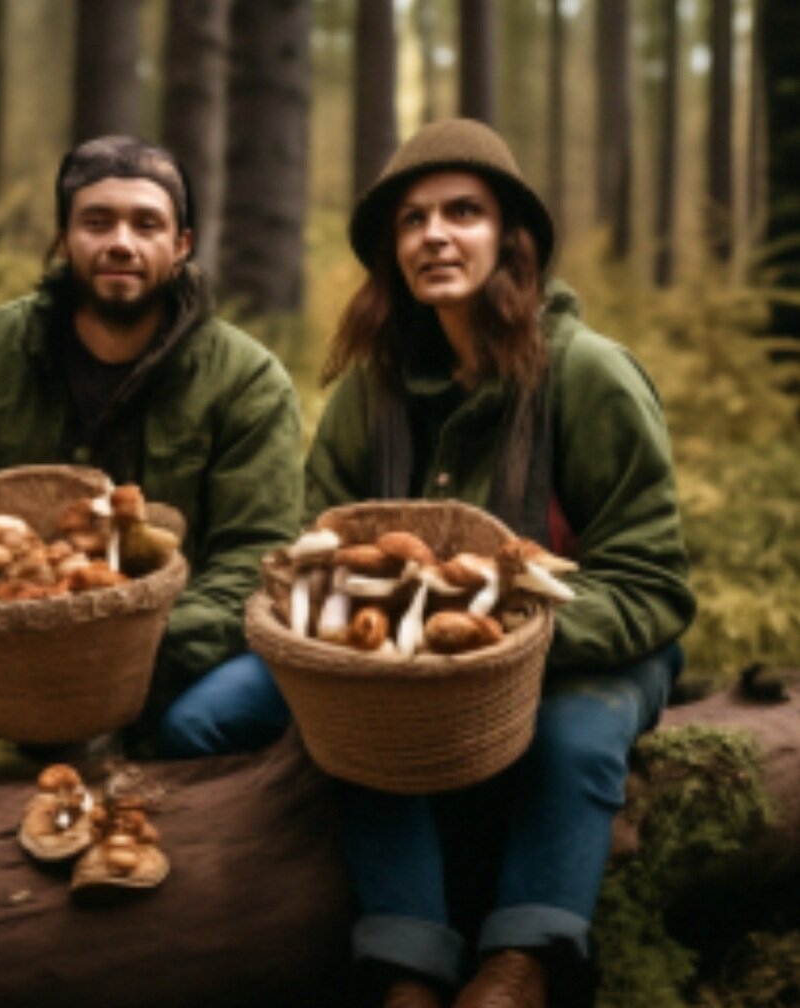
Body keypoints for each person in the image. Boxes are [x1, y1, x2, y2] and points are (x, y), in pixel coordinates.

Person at [158, 118, 696, 1008]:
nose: (435, 236)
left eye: (463, 213)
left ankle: (521, 958)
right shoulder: (368, 399)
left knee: (571, 736)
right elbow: (308, 557)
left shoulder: (590, 375)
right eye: (412, 221)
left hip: (581, 649)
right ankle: (403, 967)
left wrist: (504, 640)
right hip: (385, 661)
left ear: (510, 238)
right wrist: (351, 652)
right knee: (207, 722)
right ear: (390, 253)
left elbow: (651, 582)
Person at [0, 135, 303, 783]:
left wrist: (115, 646)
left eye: (146, 224)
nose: (120, 242)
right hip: (14, 632)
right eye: (97, 222)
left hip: (187, 647)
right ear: (64, 240)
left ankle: (172, 841)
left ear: (180, 247)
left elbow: (256, 559)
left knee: (199, 721)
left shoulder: (246, 380)